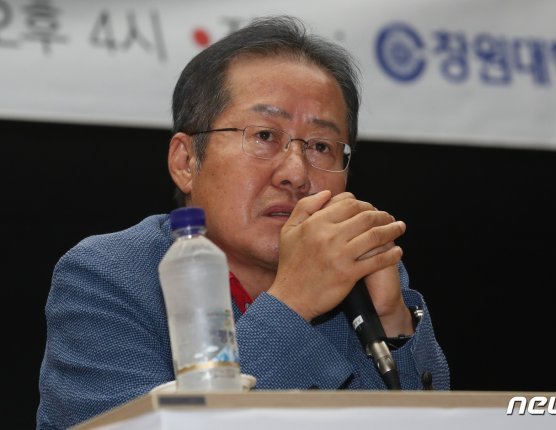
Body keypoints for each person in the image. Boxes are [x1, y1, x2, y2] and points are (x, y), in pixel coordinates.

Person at [37, 15, 450, 429]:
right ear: (185, 161)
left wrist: (392, 324)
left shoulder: (360, 277)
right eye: (265, 136)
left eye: (321, 146)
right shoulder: (108, 276)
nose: (296, 173)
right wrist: (293, 302)